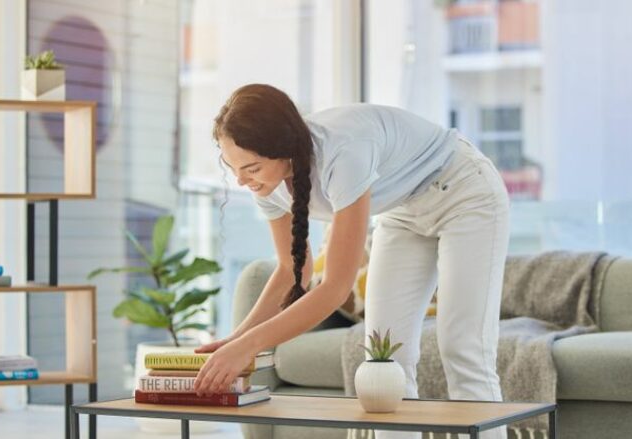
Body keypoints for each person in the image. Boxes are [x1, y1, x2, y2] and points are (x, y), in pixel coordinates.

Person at [193, 84, 510, 439]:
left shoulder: (343, 149)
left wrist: (249, 346)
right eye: (232, 167)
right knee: (384, 358)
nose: (241, 180)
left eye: (250, 168)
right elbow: (291, 271)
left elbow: (334, 287)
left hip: (465, 191)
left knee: (463, 348)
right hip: (402, 210)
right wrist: (235, 340)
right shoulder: (266, 184)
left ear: (283, 150)